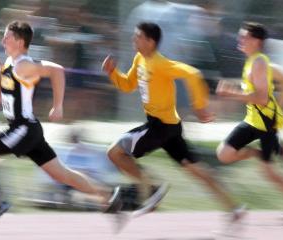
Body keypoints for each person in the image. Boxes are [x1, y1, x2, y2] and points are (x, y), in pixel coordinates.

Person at [0, 21, 123, 229]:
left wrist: (58, 106)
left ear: (20, 42)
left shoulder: (24, 65)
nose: (3, 40)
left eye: (7, 37)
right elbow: (4, 102)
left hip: (23, 130)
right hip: (27, 131)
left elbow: (57, 70)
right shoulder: (9, 65)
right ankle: (108, 197)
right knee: (62, 175)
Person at [102, 22, 243, 220]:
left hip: (159, 127)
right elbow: (128, 85)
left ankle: (152, 188)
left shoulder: (160, 64)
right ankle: (234, 208)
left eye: (138, 37)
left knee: (115, 152)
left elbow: (193, 74)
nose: (134, 40)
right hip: (169, 127)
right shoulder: (140, 59)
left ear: (150, 42)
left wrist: (199, 106)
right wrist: (112, 73)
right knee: (197, 170)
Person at [216, 22, 283, 206]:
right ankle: (258, 153)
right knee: (224, 154)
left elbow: (262, 99)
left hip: (265, 124)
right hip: (253, 121)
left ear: (257, 41)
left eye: (244, 37)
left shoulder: (259, 63)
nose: (240, 39)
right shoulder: (253, 62)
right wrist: (280, 112)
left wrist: (231, 94)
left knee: (270, 174)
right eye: (240, 36)